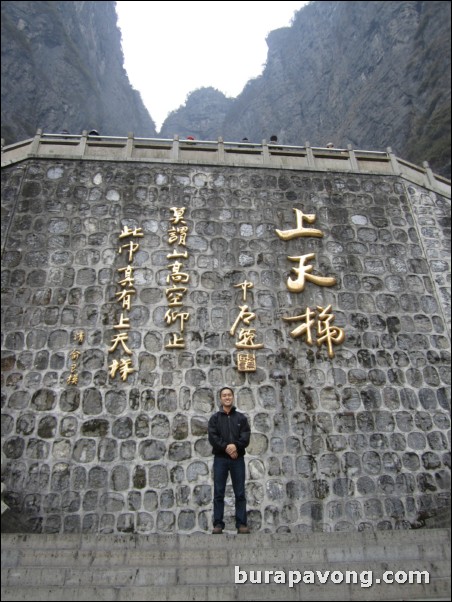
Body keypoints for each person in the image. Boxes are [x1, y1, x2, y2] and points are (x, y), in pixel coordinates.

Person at [208, 387, 251, 534]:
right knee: (219, 492)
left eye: (229, 395)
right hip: (220, 458)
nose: (227, 397)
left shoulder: (241, 418)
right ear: (220, 399)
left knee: (240, 492)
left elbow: (245, 436)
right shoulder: (215, 419)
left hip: (237, 458)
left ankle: (241, 524)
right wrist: (226, 447)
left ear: (232, 397)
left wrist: (235, 447)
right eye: (224, 395)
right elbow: (213, 437)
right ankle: (218, 524)